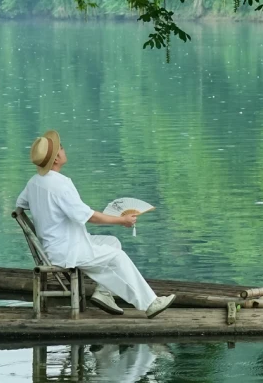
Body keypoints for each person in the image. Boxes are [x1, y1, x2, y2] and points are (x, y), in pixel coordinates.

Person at [16, 130, 175, 317]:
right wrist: (121, 220)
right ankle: (150, 303)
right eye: (62, 148)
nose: (64, 150)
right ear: (56, 158)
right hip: (68, 250)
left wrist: (47, 212)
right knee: (118, 257)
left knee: (112, 243)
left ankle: (104, 293)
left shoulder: (34, 182)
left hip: (53, 246)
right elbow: (89, 217)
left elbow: (20, 204)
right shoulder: (60, 185)